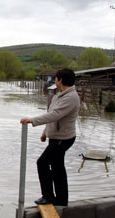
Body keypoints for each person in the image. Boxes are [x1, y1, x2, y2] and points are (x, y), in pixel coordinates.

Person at [20, 68, 80, 206]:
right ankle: (61, 200)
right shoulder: (59, 95)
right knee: (57, 167)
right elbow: (52, 114)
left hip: (63, 138)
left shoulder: (71, 97)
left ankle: (48, 196)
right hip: (56, 136)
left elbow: (55, 115)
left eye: (56, 78)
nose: (55, 81)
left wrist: (32, 120)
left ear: (61, 80)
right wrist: (45, 133)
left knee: (42, 163)